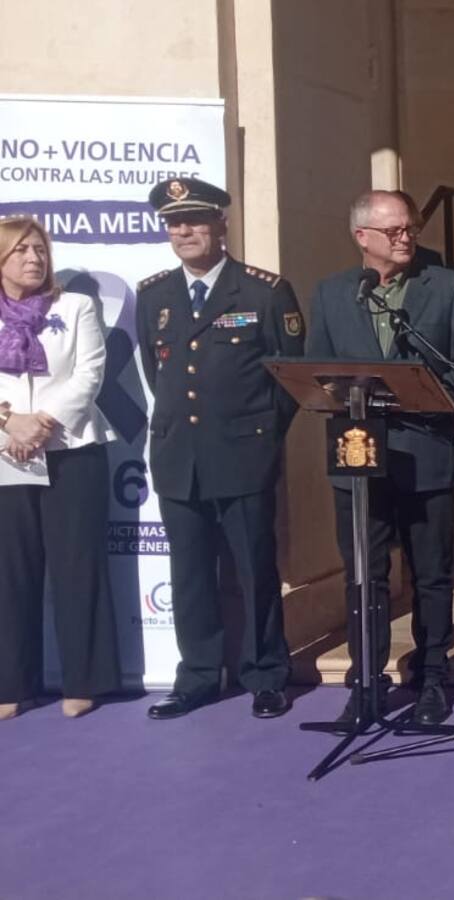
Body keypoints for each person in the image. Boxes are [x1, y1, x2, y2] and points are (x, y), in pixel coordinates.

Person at [307, 189, 454, 728]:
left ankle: (432, 679)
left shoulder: (448, 288)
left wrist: (431, 390)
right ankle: (366, 681)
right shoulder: (331, 293)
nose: (407, 237)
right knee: (365, 575)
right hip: (358, 455)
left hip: (425, 450)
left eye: (410, 228)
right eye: (394, 230)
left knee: (431, 574)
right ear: (362, 237)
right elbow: (315, 369)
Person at [136, 178, 305, 720]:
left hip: (243, 457)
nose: (183, 231)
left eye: (194, 220)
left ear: (221, 225)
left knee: (255, 571)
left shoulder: (263, 292)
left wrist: (259, 437)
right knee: (189, 574)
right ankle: (199, 676)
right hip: (178, 460)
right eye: (173, 223)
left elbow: (290, 380)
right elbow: (156, 372)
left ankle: (266, 675)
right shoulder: (154, 295)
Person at [0, 216, 120, 720]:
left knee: (77, 567)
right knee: (10, 572)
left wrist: (43, 422)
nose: (34, 258)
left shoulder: (75, 306)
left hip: (71, 448)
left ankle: (84, 680)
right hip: (6, 452)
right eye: (21, 250)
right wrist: (9, 422)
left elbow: (90, 373)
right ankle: (12, 684)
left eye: (40, 250)